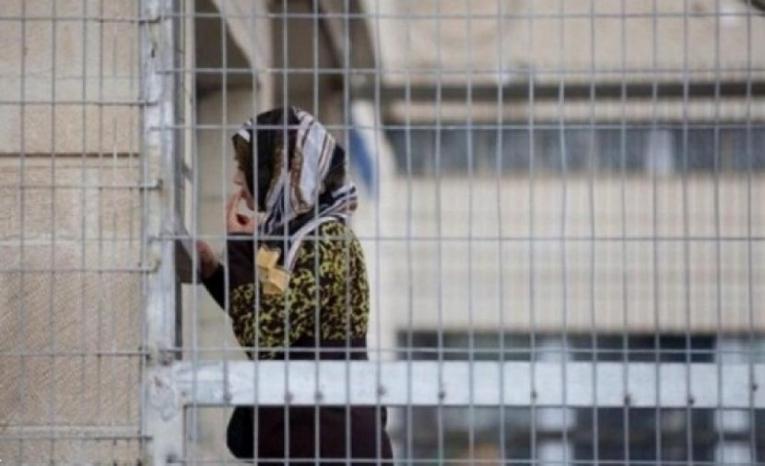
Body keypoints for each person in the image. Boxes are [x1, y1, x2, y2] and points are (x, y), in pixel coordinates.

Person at [196, 107, 393, 465]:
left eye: (246, 166)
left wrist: (239, 248)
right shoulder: (300, 236)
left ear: (280, 172)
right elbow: (273, 318)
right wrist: (214, 273)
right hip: (314, 437)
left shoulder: (326, 240)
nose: (237, 178)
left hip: (329, 442)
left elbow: (264, 335)